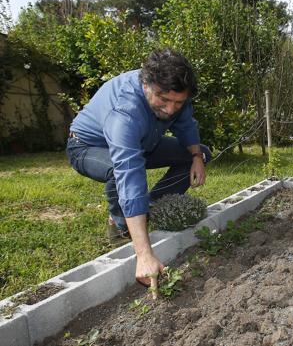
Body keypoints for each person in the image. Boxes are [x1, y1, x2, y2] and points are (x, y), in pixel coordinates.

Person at [66, 48, 211, 291]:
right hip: (88, 146)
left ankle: (148, 209)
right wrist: (144, 255)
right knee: (119, 172)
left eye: (178, 102)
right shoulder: (126, 111)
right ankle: (120, 224)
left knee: (200, 151)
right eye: (163, 100)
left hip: (146, 143)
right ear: (146, 83)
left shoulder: (175, 97)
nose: (170, 109)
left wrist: (196, 156)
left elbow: (185, 125)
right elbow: (128, 170)